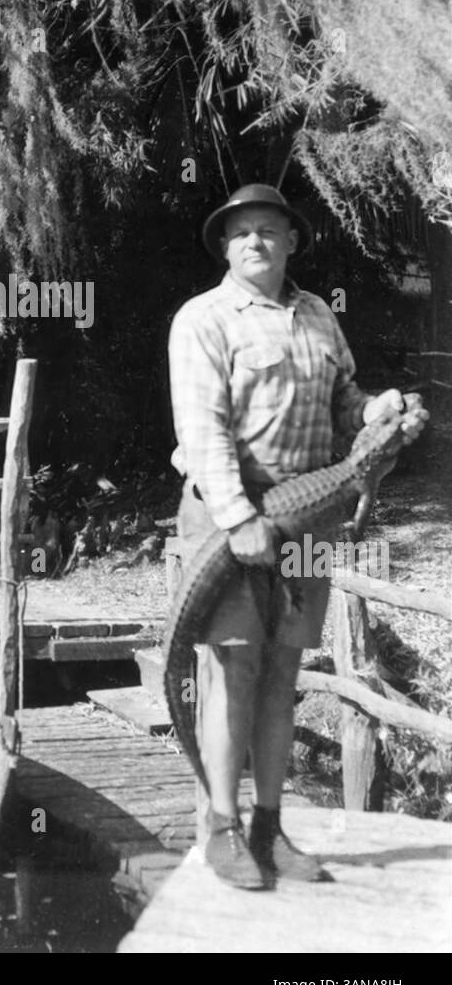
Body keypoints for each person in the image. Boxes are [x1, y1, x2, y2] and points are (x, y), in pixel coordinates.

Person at [167, 184, 427, 889]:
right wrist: (238, 517)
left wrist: (377, 408)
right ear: (225, 247)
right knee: (233, 669)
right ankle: (220, 828)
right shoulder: (203, 320)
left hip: (306, 516)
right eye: (242, 232)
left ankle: (267, 828)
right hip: (232, 520)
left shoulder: (316, 316)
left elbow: (342, 404)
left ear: (291, 243)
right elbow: (204, 431)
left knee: (282, 673)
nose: (256, 241)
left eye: (269, 231)